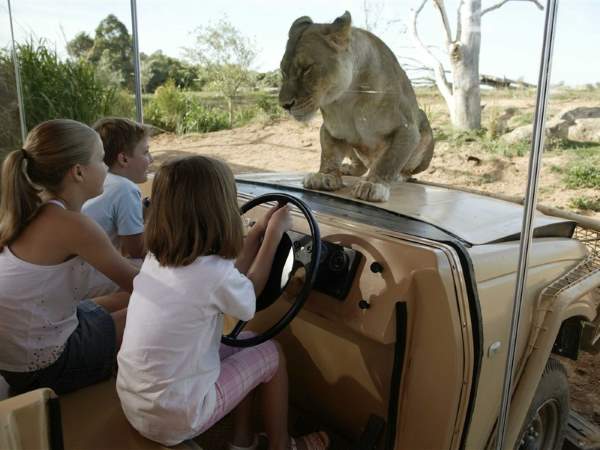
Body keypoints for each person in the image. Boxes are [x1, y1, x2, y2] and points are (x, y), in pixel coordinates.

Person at [116, 156, 329, 450]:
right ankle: (283, 445)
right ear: (220, 210)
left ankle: (242, 440)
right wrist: (274, 235)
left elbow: (230, 279)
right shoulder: (212, 274)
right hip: (177, 416)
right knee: (271, 353)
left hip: (138, 403)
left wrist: (256, 233)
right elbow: (248, 294)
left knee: (248, 342)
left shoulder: (159, 258)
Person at [0, 119, 138, 395]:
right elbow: (142, 284)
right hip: (46, 368)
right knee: (155, 309)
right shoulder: (72, 225)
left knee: (122, 301)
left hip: (19, 358)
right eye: (100, 160)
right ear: (78, 172)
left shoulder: (31, 211)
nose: (106, 168)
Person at [83, 117, 152, 260]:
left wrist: (145, 208)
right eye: (146, 152)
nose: (151, 159)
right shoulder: (125, 189)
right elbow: (137, 251)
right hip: (95, 278)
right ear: (124, 159)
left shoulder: (100, 182)